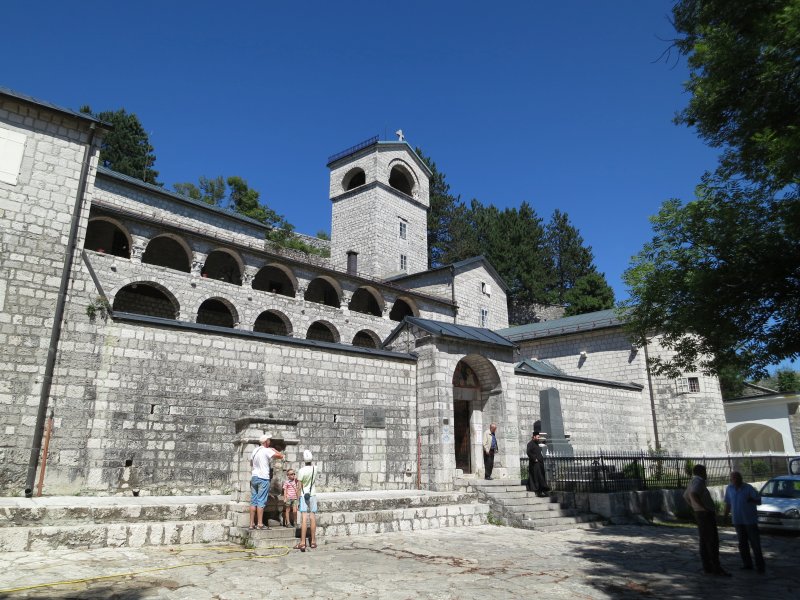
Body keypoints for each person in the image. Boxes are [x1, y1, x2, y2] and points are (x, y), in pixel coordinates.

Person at [683, 464, 730, 576]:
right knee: (712, 540)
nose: (706, 474)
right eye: (705, 471)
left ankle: (707, 567)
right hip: (705, 514)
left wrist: (694, 507)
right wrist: (703, 507)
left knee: (704, 541)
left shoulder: (692, 481)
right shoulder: (698, 481)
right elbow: (694, 494)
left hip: (699, 513)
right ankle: (716, 567)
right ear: (702, 472)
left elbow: (685, 496)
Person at [724, 471, 765, 573]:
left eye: (737, 477)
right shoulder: (729, 489)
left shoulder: (748, 488)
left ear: (741, 478)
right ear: (731, 479)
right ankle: (747, 564)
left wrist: (751, 500)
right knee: (742, 544)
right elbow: (728, 503)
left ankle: (760, 566)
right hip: (738, 521)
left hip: (750, 521)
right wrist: (725, 516)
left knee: (755, 544)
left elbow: (759, 501)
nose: (735, 479)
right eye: (733, 478)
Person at [249, 434, 284, 530]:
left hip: (254, 477)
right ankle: (260, 524)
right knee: (261, 501)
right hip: (263, 478)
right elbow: (281, 456)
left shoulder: (255, 450)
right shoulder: (267, 450)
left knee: (253, 501)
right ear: (266, 441)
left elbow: (251, 463)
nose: (270, 441)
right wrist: (273, 449)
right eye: (269, 440)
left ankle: (251, 524)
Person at [296, 449, 318, 551]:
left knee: (304, 517)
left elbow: (299, 487)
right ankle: (313, 541)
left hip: (304, 495)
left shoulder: (301, 471)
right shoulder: (315, 468)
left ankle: (303, 542)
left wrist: (297, 500)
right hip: (313, 494)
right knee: (312, 516)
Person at [527, 431, 549, 497]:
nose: (538, 438)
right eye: (538, 437)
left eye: (539, 437)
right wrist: (534, 459)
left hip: (540, 463)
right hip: (535, 463)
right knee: (537, 477)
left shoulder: (537, 443)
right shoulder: (530, 444)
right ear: (534, 437)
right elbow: (528, 452)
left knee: (541, 476)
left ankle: (542, 490)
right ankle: (538, 490)